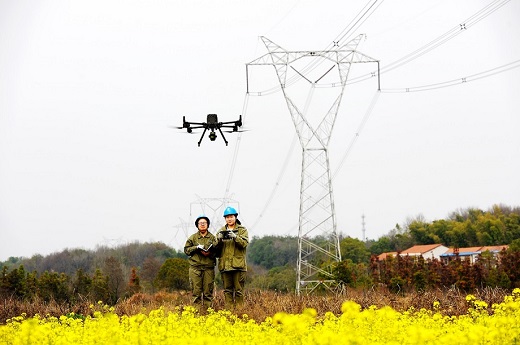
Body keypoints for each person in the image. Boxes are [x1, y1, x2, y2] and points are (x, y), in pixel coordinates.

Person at [215, 206, 249, 309]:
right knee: (227, 290)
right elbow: (215, 248)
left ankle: (239, 311)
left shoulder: (242, 230)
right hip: (225, 266)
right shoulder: (221, 230)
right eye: (227, 217)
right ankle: (229, 311)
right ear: (225, 219)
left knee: (239, 290)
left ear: (235, 217)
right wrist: (219, 240)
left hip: (238, 266)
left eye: (231, 217)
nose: (229, 219)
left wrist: (235, 237)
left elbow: (244, 244)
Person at [184, 215, 218, 309]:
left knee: (208, 293)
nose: (202, 224)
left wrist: (210, 253)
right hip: (195, 268)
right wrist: (196, 248)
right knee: (196, 293)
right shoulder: (193, 238)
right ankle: (196, 314)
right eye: (200, 223)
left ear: (208, 225)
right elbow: (186, 250)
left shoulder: (213, 238)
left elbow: (218, 252)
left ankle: (208, 313)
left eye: (204, 223)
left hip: (208, 268)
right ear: (197, 225)